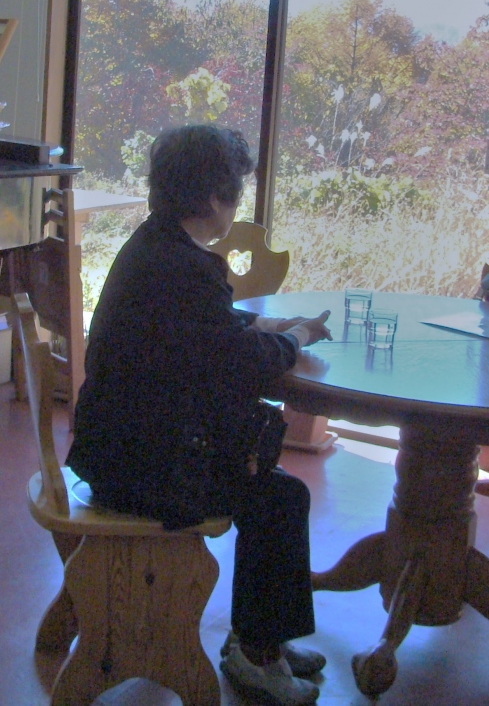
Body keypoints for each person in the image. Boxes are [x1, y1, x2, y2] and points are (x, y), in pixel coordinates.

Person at [66, 125, 333, 706]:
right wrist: (297, 339)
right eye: (234, 192)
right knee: (280, 498)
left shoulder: (155, 246)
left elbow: (204, 331)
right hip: (142, 468)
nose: (236, 204)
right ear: (214, 197)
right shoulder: (186, 268)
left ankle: (262, 638)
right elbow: (242, 365)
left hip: (114, 447)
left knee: (275, 491)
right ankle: (256, 652)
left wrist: (267, 326)